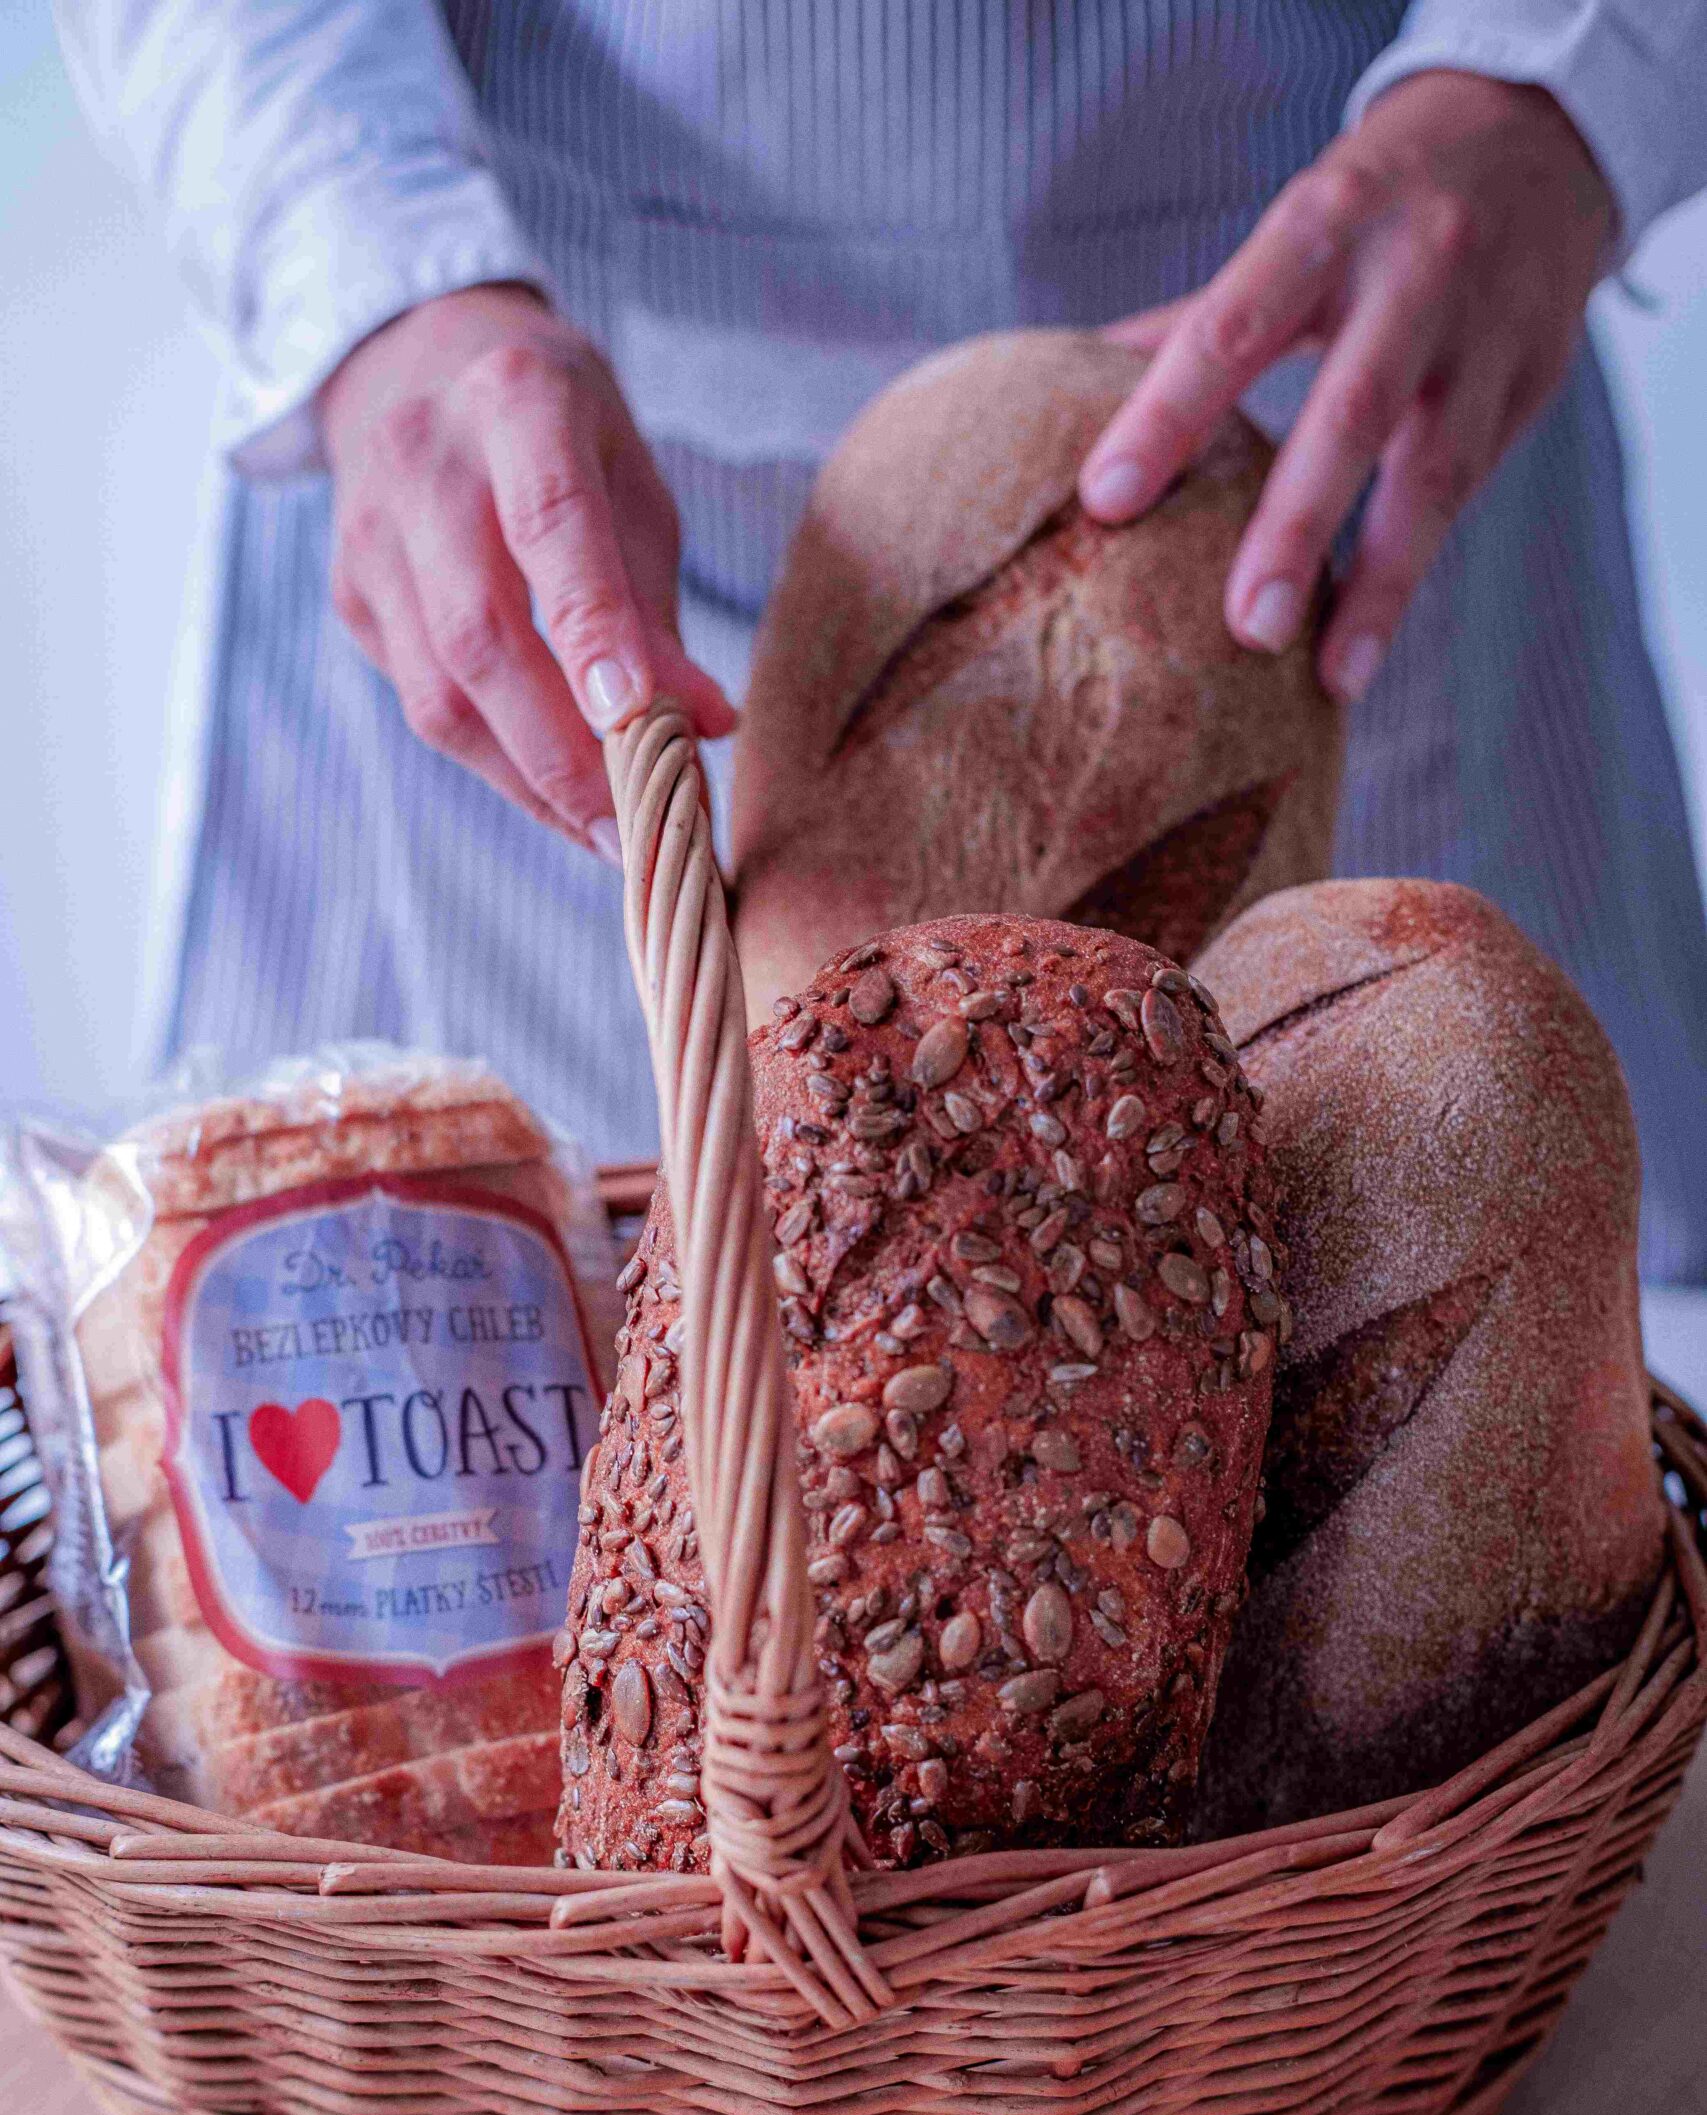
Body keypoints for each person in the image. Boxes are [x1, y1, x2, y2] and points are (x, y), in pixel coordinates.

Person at [59, 1, 1707, 1274]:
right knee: (439, 1400)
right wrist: (368, 270)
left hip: (1372, 419)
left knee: (1470, 1309)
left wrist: (1565, 79)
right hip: (514, 482)